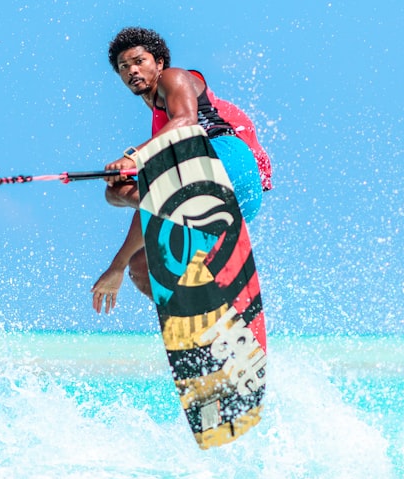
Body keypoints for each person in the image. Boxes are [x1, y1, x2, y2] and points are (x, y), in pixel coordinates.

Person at [91, 26, 272, 314]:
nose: (131, 71)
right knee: (139, 260)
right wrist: (119, 268)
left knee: (136, 188)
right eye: (124, 67)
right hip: (218, 198)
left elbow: (187, 121)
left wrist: (134, 157)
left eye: (139, 61)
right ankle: (202, 319)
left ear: (159, 62)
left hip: (226, 162)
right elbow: (149, 203)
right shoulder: (158, 126)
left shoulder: (174, 77)